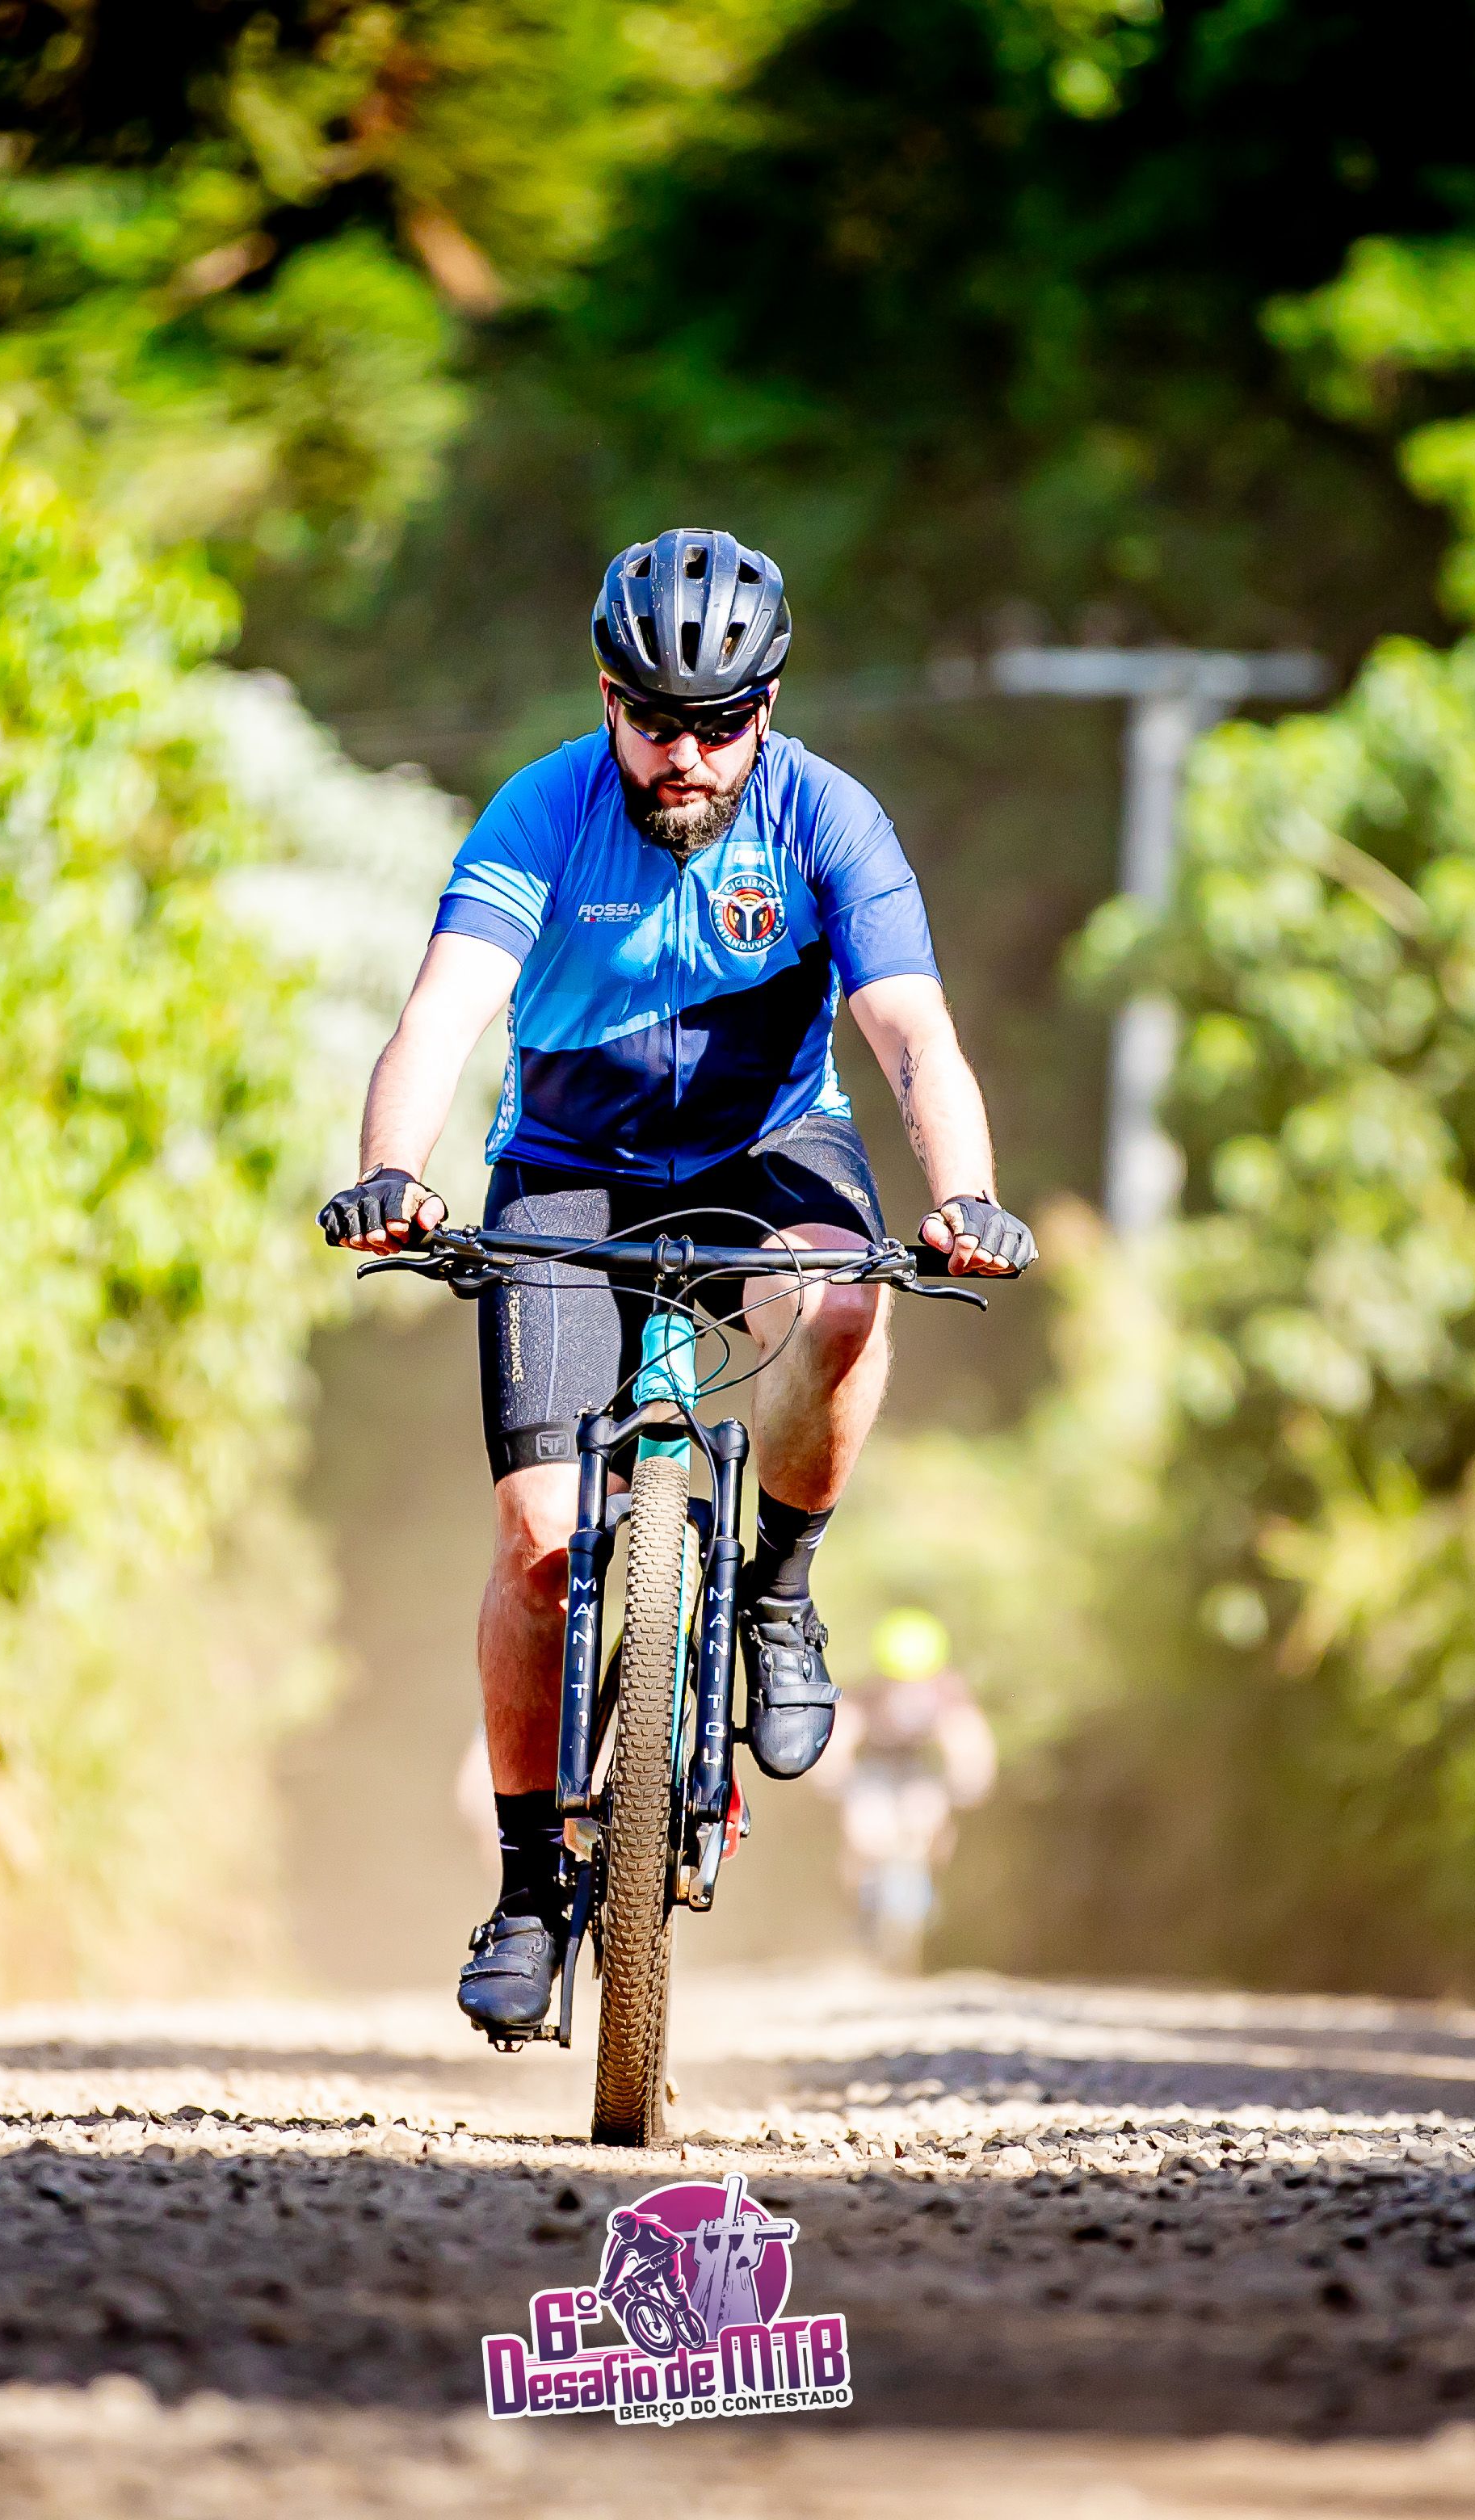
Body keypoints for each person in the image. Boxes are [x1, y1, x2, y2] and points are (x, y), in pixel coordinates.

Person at [319, 527, 1034, 2037]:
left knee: (846, 1299)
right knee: (537, 1547)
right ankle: (528, 1893)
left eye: (720, 723)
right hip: (567, 1168)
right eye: (656, 721)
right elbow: (443, 1012)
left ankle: (779, 1592)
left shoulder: (829, 818)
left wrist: (965, 1195)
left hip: (767, 1150)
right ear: (607, 700)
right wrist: (391, 1167)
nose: (687, 757)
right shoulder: (541, 811)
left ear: (766, 709)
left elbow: (912, 1032)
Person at [810, 1607, 998, 1972]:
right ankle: (856, 1909)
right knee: (865, 1835)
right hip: (874, 1770)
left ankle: (922, 1899)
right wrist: (831, 1770)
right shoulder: (871, 1691)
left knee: (929, 1824)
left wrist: (970, 1778)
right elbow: (842, 1730)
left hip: (919, 1770)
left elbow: (968, 1738)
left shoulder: (947, 1693)